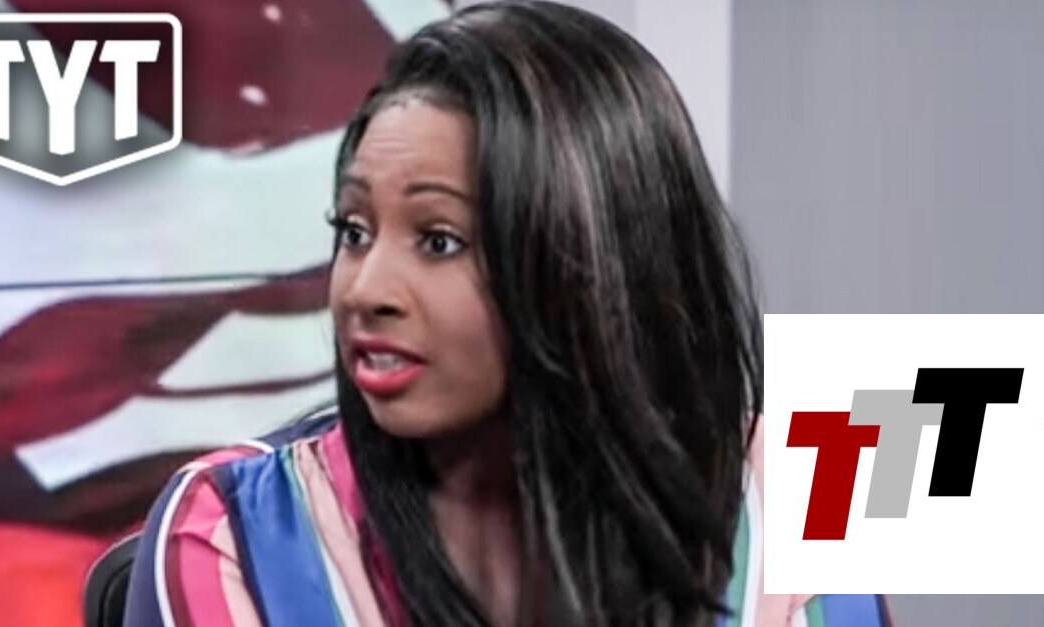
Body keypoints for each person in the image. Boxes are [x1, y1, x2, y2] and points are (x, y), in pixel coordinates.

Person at [122, 2, 892, 625]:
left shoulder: (794, 495)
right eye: (353, 231)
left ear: (593, 262)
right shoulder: (235, 533)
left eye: (438, 240)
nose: (364, 290)